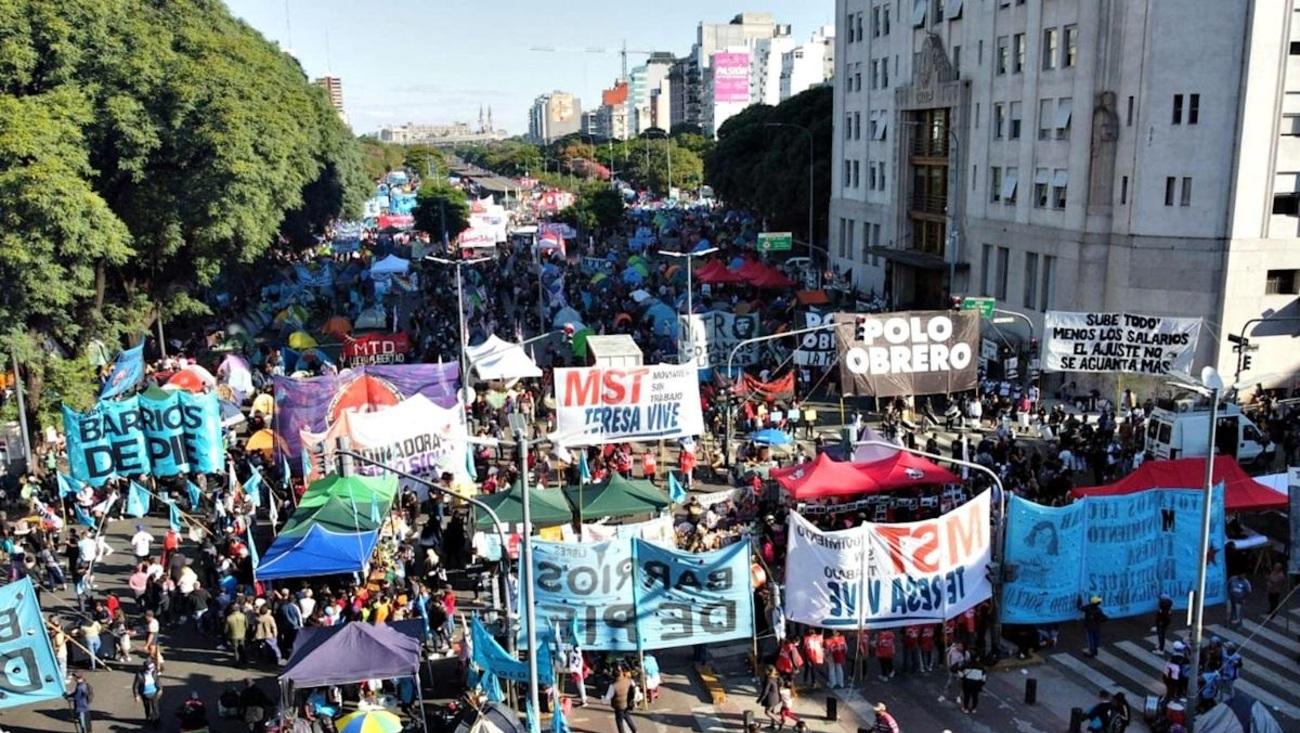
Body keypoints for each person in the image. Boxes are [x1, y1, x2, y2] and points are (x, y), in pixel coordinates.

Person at [602, 665, 640, 733]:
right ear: (621, 673)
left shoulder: (613, 686)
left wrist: (603, 698)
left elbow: (607, 698)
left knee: (619, 721)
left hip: (619, 706)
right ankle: (634, 729)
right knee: (626, 715)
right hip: (627, 703)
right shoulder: (628, 680)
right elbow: (634, 687)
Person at [132, 659, 163, 726]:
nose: (152, 670)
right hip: (145, 694)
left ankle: (157, 722)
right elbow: (135, 686)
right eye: (150, 669)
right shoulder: (139, 675)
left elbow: (158, 682)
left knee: (155, 708)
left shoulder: (154, 673)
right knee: (147, 707)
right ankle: (148, 718)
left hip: (154, 693)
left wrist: (160, 689)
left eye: (152, 668)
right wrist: (136, 695)